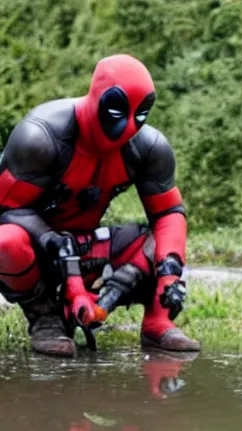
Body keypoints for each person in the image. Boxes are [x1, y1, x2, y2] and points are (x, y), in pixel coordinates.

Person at [0, 54, 198, 357]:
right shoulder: (41, 138)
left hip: (86, 246)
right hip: (38, 248)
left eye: (140, 116)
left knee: (163, 239)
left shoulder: (148, 148)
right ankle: (45, 317)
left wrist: (169, 276)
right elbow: (5, 209)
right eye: (118, 112)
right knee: (6, 242)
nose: (128, 129)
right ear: (97, 98)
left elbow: (168, 213)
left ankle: (158, 323)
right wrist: (50, 239)